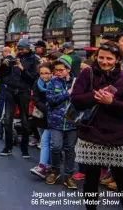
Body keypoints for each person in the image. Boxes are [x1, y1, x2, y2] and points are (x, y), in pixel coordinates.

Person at [71, 41, 123, 210]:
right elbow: (76, 100)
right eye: (101, 57)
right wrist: (95, 96)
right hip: (90, 135)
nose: (104, 61)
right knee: (91, 182)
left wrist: (111, 102)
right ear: (96, 57)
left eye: (109, 58)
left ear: (117, 60)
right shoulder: (87, 73)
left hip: (117, 138)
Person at [1, 38, 39, 158]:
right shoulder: (13, 57)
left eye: (23, 49)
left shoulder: (34, 60)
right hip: (11, 90)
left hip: (24, 91)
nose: (21, 51)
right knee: (8, 120)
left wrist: (22, 69)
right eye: (19, 49)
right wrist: (5, 66)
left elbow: (33, 79)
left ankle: (24, 148)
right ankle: (8, 147)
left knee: (25, 121)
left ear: (28, 48)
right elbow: (2, 75)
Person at [45, 55, 77, 189]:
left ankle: (69, 176)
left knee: (70, 149)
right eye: (56, 70)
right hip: (56, 121)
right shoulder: (52, 82)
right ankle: (55, 170)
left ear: (68, 69)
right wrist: (68, 93)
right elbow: (50, 99)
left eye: (61, 70)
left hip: (72, 121)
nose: (57, 72)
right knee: (56, 147)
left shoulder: (77, 82)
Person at [30, 63, 53, 179]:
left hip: (53, 116)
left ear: (51, 73)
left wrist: (49, 109)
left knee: (45, 141)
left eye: (47, 73)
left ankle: (44, 165)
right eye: (42, 73)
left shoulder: (55, 83)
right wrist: (44, 108)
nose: (44, 76)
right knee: (43, 139)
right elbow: (35, 98)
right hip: (41, 115)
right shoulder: (37, 83)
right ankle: (47, 163)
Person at [0, 46, 14, 122]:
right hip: (8, 82)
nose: (1, 53)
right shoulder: (13, 59)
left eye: (2, 52)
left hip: (4, 82)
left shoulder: (5, 60)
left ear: (6, 51)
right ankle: (5, 116)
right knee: (7, 99)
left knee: (2, 98)